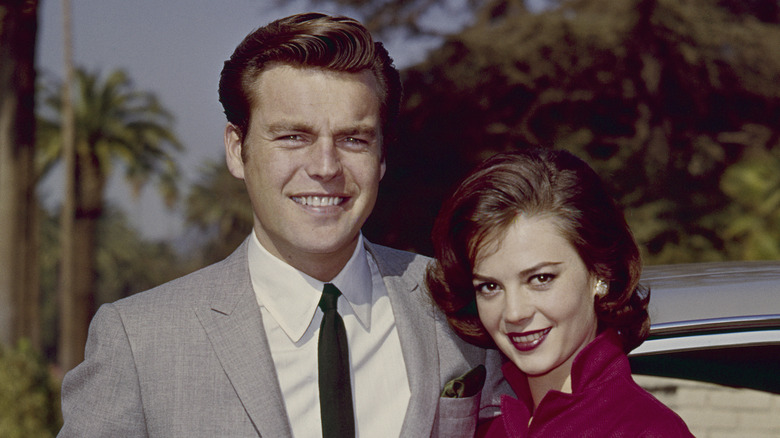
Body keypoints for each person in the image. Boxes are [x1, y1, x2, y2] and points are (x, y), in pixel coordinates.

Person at [58, 12, 508, 438]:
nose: (326, 166)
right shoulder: (140, 342)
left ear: (382, 155)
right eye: (294, 136)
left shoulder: (459, 302)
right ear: (237, 149)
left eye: (353, 139)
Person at [425, 148, 694, 437]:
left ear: (600, 273)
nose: (514, 312)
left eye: (541, 278)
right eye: (490, 287)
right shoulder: (491, 429)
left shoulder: (648, 431)